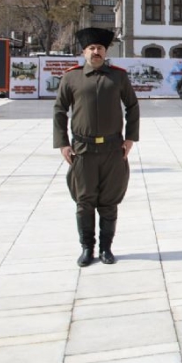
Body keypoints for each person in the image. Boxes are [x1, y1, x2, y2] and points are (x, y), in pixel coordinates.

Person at [53, 27, 139, 267]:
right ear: (84, 52)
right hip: (83, 150)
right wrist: (62, 143)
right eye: (92, 48)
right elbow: (59, 109)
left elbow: (132, 106)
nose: (96, 52)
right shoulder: (72, 77)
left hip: (113, 149)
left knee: (109, 202)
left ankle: (106, 248)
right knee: (84, 202)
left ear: (106, 51)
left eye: (100, 48)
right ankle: (86, 247)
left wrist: (130, 138)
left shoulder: (118, 77)